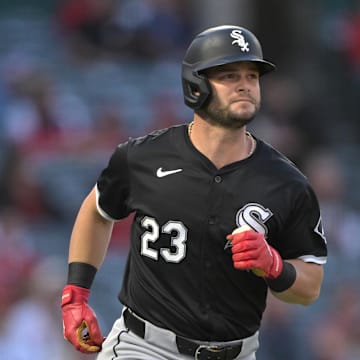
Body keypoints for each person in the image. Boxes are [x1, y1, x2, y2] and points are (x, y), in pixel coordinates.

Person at [61, 25, 328, 360]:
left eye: (252, 75)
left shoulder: (288, 183)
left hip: (236, 353)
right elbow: (97, 212)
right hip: (144, 346)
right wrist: (76, 293)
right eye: (229, 75)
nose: (245, 84)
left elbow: (310, 287)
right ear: (196, 85)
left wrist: (276, 266)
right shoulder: (143, 157)